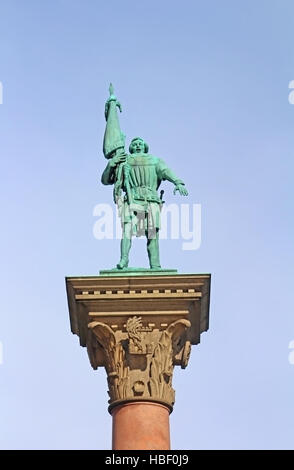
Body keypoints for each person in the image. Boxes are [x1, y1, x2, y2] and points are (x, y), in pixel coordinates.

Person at [101, 137, 188, 269]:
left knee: (152, 233)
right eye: (134, 144)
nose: (137, 146)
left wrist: (178, 182)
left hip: (151, 200)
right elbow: (106, 180)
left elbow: (166, 171)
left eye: (140, 144)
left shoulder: (155, 160)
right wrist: (111, 163)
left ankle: (155, 265)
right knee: (127, 231)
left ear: (145, 147)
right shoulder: (124, 160)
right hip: (131, 198)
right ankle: (123, 260)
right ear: (130, 148)